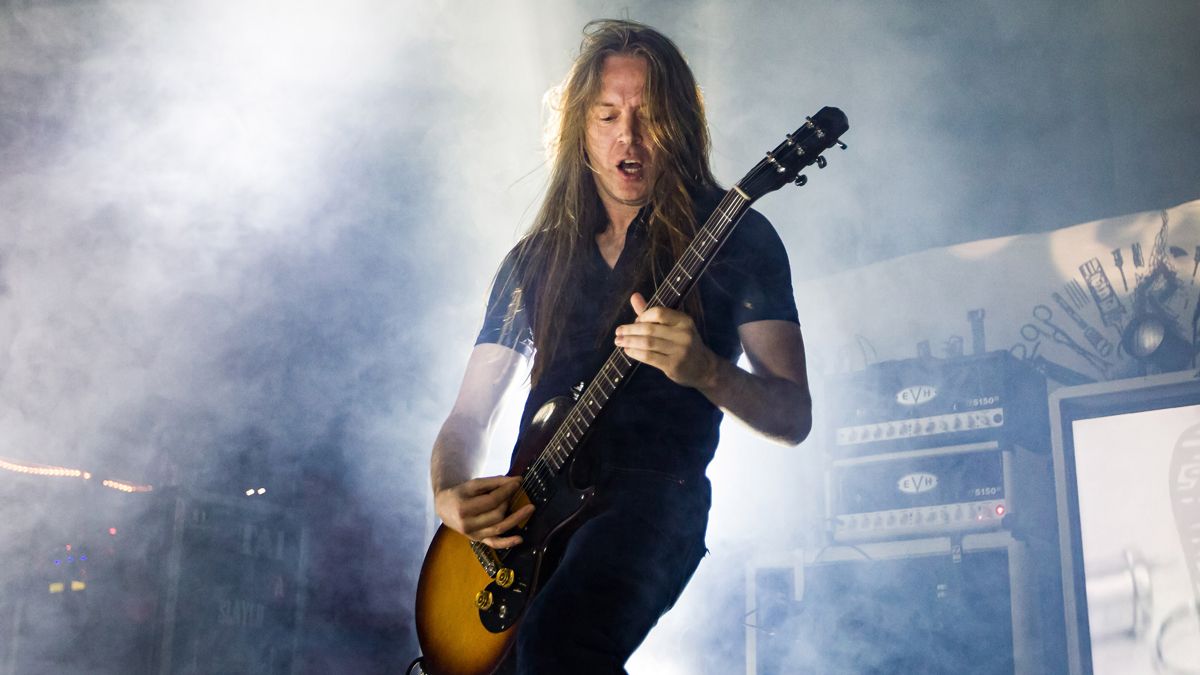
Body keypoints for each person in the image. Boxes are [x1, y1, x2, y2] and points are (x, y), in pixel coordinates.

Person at [428, 19, 812, 674]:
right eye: (608, 115)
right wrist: (448, 492)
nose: (627, 137)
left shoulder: (738, 238)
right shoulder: (534, 260)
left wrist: (707, 371)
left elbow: (792, 414)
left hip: (654, 500)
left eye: (648, 116)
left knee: (560, 643)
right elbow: (468, 417)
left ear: (680, 126)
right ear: (580, 128)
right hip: (532, 519)